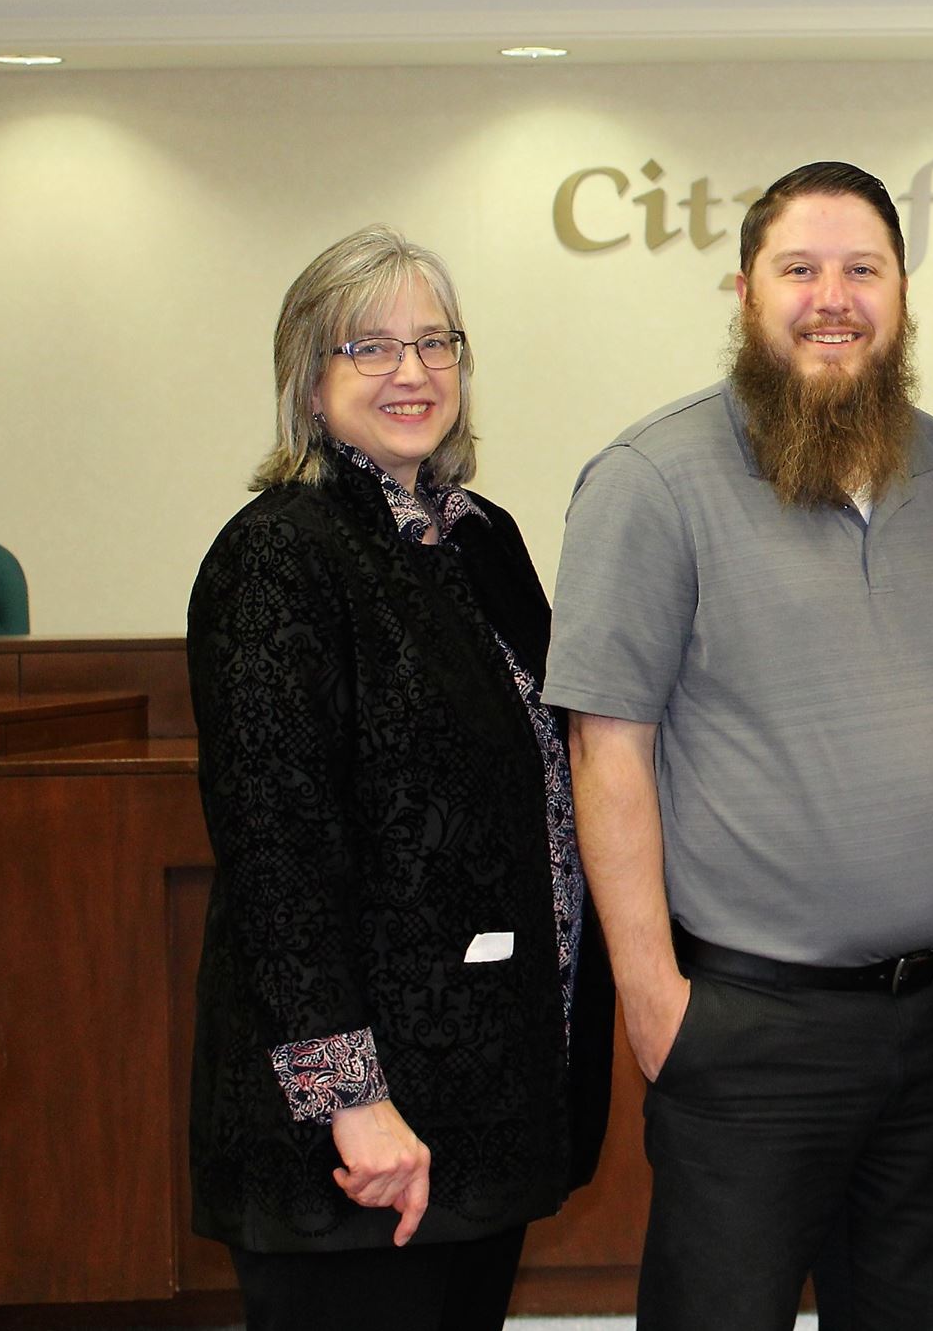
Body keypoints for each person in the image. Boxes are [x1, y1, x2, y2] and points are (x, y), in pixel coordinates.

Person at [544, 161, 933, 1331]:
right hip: (749, 1032)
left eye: (862, 268)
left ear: (903, 291)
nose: (832, 296)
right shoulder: (649, 481)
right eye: (798, 268)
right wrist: (654, 995)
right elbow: (607, 749)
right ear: (745, 292)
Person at [186, 227, 613, 1331]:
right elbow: (278, 852)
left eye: (435, 341)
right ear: (308, 375)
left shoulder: (481, 538)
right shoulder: (279, 553)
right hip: (355, 1138)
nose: (412, 371)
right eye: (369, 347)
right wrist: (351, 1100)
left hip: (478, 1101)